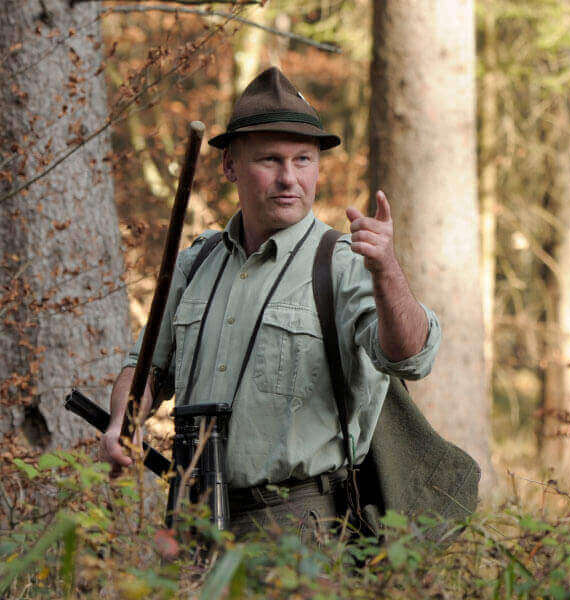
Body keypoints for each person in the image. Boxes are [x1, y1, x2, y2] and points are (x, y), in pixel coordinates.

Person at [101, 67, 441, 540]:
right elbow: (145, 369)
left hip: (302, 529)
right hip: (191, 522)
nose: (289, 179)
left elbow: (411, 357)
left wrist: (387, 271)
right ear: (230, 166)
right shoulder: (196, 264)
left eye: (303, 160)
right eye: (270, 160)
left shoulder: (343, 265)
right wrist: (124, 421)